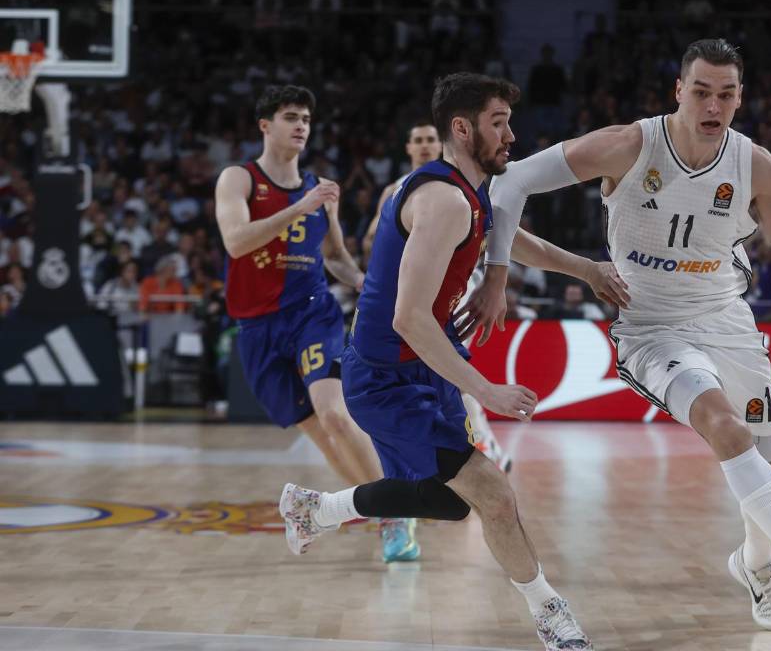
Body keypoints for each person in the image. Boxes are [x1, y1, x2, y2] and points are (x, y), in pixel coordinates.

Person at [470, 39, 771, 634]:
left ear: (740, 99)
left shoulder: (756, 165)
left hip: (727, 321)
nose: (712, 104)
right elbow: (506, 187)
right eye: (701, 91)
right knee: (726, 427)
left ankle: (758, 570)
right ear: (678, 90)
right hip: (650, 327)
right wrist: (501, 275)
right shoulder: (627, 145)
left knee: (765, 467)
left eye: (725, 93)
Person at [279, 73, 622, 651]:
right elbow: (408, 318)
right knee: (493, 493)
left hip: (426, 365)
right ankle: (551, 613)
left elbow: (508, 238)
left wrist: (586, 269)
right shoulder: (440, 201)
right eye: (498, 122)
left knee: (446, 502)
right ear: (461, 129)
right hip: (388, 377)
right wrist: (484, 390)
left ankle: (316, 510)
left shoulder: (471, 189)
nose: (511, 134)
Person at [214, 85, 413, 563]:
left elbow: (336, 257)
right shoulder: (238, 179)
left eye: (305, 117)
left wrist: (374, 289)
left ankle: (396, 513)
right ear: (266, 126)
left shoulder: (319, 189)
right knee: (320, 434)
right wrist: (297, 208)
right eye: (289, 116)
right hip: (256, 328)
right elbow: (236, 243)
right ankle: (372, 506)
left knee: (335, 415)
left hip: (310, 311)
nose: (301, 125)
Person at [365, 120, 515, 475]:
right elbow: (372, 240)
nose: (423, 145)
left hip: (454, 287)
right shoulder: (397, 189)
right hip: (412, 291)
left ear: (439, 143)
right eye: (416, 139)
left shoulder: (460, 188)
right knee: (442, 372)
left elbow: (495, 234)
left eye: (429, 139)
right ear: (408, 148)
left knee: (451, 369)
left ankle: (480, 444)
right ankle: (464, 448)